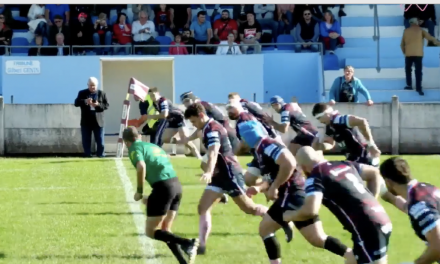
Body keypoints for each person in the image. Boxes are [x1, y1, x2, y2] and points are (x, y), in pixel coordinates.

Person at [239, 125, 352, 264]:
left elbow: (289, 162)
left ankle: (352, 255)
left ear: (248, 136)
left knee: (265, 229)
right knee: (317, 238)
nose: (241, 141)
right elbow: (274, 175)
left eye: (242, 137)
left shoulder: (266, 144)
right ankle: (352, 255)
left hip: (291, 194)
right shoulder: (260, 150)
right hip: (294, 194)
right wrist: (259, 188)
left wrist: (274, 187)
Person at [184, 103, 270, 255]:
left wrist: (209, 171)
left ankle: (277, 216)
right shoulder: (205, 126)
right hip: (219, 175)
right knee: (202, 208)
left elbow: (213, 152)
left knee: (249, 209)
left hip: (230, 174)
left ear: (201, 116)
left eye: (194, 121)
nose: (193, 125)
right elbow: (199, 135)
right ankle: (201, 246)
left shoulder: (212, 130)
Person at [284, 146, 392, 264]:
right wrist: (371, 201)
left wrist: (290, 215)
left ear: (304, 167)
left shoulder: (315, 177)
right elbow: (374, 172)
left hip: (367, 228)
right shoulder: (343, 164)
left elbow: (311, 210)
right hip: (380, 218)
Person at [311, 103, 408, 212]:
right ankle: (411, 208)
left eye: (320, 117)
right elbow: (330, 144)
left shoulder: (340, 119)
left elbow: (362, 121)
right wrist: (319, 145)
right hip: (355, 160)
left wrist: (371, 144)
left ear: (327, 114)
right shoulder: (330, 126)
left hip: (364, 157)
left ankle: (369, 213)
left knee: (353, 189)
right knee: (385, 194)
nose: (319, 121)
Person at [123, 127, 199, 264]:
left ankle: (187, 242)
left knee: (150, 231)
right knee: (166, 230)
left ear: (125, 142)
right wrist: (153, 199)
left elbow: (141, 166)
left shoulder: (134, 148)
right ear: (139, 136)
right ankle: (183, 261)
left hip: (163, 188)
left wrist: (140, 191)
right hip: (176, 185)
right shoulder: (152, 146)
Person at [380, 157, 440, 264]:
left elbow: (438, 247)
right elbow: (411, 209)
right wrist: (388, 197)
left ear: (388, 182)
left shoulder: (418, 205)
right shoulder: (427, 188)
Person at [179, 91, 233, 204]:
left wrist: (187, 139)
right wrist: (187, 139)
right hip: (221, 135)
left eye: (187, 101)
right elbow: (200, 130)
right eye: (184, 102)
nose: (186, 104)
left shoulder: (203, 109)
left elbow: (203, 130)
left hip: (222, 137)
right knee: (206, 164)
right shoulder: (201, 112)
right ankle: (220, 187)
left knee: (220, 165)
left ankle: (223, 186)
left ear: (194, 99)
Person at [144, 87, 201, 159]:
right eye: (151, 96)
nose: (152, 97)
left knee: (184, 138)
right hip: (171, 120)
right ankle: (178, 143)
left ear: (158, 94)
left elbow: (164, 114)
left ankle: (196, 153)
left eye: (153, 95)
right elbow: (164, 115)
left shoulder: (163, 101)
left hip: (179, 118)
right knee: (164, 138)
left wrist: (150, 116)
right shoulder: (154, 103)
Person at [74, 77, 109, 158]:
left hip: (98, 120)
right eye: (90, 85)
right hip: (86, 120)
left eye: (94, 85)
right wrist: (85, 101)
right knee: (86, 139)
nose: (92, 87)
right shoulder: (82, 93)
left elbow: (106, 105)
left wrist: (98, 105)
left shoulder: (102, 93)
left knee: (100, 140)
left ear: (97, 85)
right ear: (88, 85)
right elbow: (76, 103)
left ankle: (100, 154)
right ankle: (87, 154)